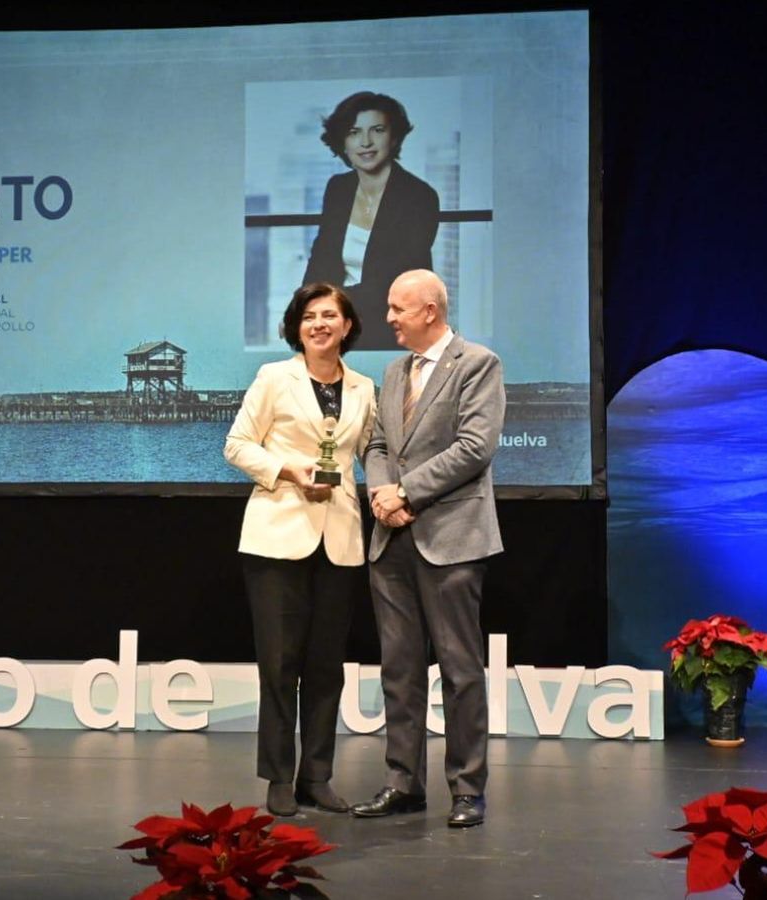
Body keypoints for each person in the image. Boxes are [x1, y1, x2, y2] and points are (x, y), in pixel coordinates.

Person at [352, 269, 503, 829]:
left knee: (462, 671)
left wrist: (406, 490)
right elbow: (379, 442)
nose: (388, 317)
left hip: (452, 540)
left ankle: (467, 789)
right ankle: (402, 784)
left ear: (430, 312)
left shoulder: (478, 364)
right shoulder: (394, 372)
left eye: (397, 308)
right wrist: (379, 492)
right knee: (400, 669)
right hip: (391, 539)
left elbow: (474, 447)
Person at [224, 282, 378, 817]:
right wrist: (286, 469)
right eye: (310, 316)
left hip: (339, 541)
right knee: (279, 663)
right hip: (276, 537)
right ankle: (278, 778)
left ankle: (317, 775)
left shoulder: (363, 388)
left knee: (326, 666)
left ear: (348, 326)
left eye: (329, 315)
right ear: (298, 326)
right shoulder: (274, 378)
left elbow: (372, 451)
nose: (319, 324)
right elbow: (237, 444)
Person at [303, 91, 440, 352]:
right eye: (354, 132)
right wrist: (302, 309)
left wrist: (328, 311)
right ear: (342, 142)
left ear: (394, 136)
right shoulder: (338, 188)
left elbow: (398, 281)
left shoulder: (419, 196)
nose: (365, 142)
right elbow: (321, 257)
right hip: (337, 324)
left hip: (391, 327)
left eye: (377, 130)